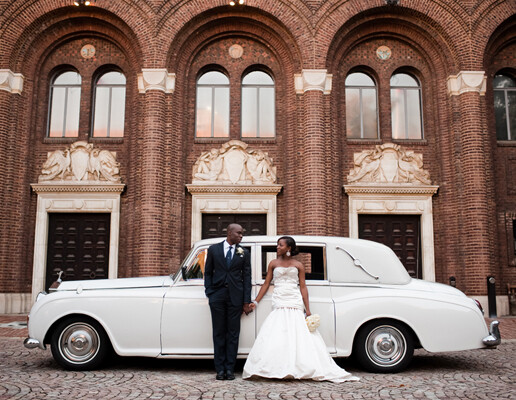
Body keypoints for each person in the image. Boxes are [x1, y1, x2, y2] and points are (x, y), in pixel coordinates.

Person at [243, 236, 359, 382]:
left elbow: (303, 286)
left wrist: (307, 309)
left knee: (297, 330)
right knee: (277, 329)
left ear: (289, 248)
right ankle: (276, 365)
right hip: (279, 298)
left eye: (280, 245)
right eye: (277, 245)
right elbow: (266, 284)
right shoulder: (273, 263)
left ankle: (300, 364)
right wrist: (256, 302)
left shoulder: (298, 265)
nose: (277, 247)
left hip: (294, 298)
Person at [204, 223, 253, 380]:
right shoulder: (213, 250)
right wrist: (210, 292)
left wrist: (246, 300)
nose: (241, 235)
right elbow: (208, 272)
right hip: (217, 296)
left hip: (235, 297)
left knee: (233, 333)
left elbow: (247, 277)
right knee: (218, 332)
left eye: (242, 233)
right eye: (239, 233)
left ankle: (230, 369)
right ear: (230, 232)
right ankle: (220, 369)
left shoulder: (244, 252)